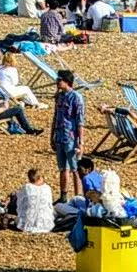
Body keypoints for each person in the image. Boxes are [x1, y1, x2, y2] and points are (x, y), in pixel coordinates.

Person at [50, 71, 86, 201]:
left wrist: (81, 142)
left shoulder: (76, 97)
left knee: (75, 168)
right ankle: (63, 196)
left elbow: (80, 121)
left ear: (67, 81)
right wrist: (51, 135)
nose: (57, 82)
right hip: (60, 136)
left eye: (60, 80)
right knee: (62, 168)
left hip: (71, 137)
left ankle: (78, 197)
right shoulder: (59, 97)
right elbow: (55, 117)